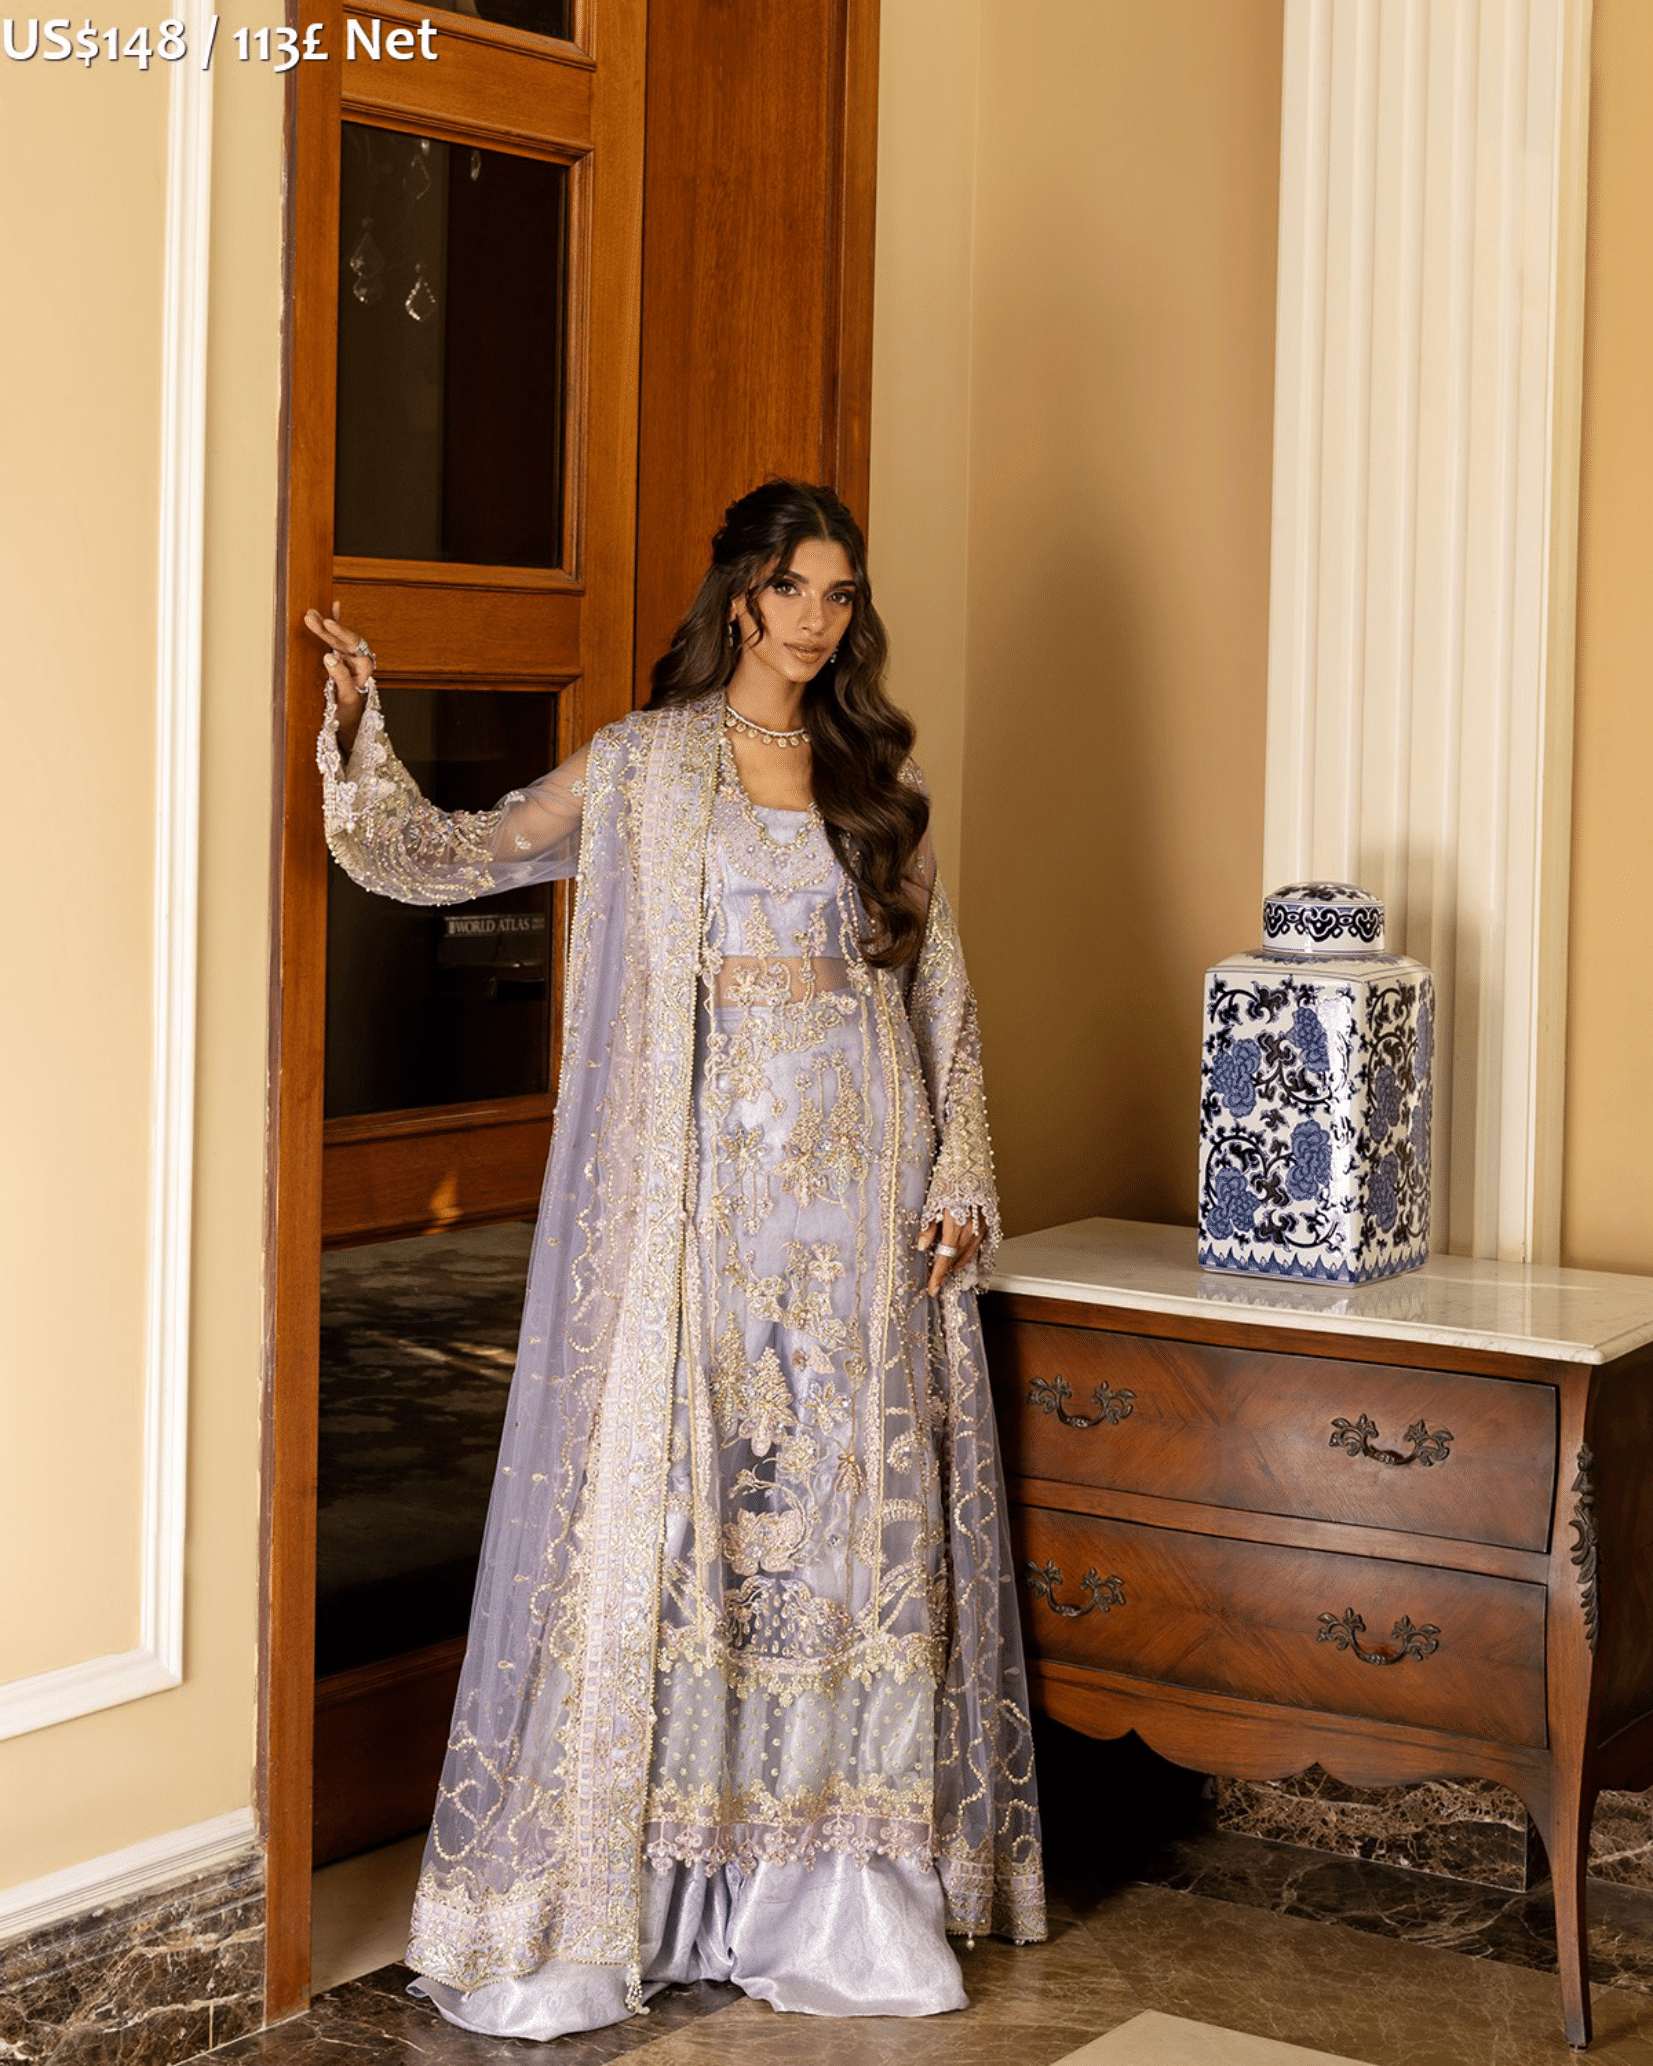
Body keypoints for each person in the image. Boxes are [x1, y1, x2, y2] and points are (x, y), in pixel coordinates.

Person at [305, 478, 1044, 2040]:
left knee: (843, 1532)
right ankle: (668, 1884)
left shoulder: (875, 774)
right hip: (706, 1202)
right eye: (794, 588)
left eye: (841, 594)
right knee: (698, 1518)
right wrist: (364, 734)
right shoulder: (646, 764)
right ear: (740, 594)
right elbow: (452, 855)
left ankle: (830, 1882)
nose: (817, 619)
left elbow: (935, 983)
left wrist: (961, 1166)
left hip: (860, 1205)